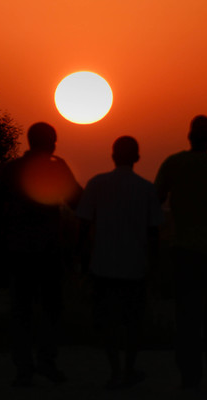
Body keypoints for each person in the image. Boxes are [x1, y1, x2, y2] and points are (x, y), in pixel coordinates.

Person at [154, 115, 207, 392]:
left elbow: (156, 201)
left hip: (183, 251)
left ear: (189, 136)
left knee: (187, 318)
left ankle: (190, 377)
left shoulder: (173, 164)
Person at [0, 122, 82, 387]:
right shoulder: (56, 167)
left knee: (21, 311)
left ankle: (24, 369)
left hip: (18, 251)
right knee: (51, 310)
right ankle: (46, 362)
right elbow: (78, 201)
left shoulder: (11, 170)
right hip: (48, 251)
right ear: (52, 142)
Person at [77, 136, 162, 390]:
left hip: (103, 265)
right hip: (135, 267)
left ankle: (115, 371)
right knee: (134, 323)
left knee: (108, 322)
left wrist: (82, 258)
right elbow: (154, 232)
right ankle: (128, 369)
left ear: (113, 156)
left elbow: (83, 226)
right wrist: (154, 265)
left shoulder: (96, 184)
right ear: (137, 158)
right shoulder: (146, 189)